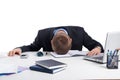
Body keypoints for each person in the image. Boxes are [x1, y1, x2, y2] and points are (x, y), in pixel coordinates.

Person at [8, 26, 104, 56]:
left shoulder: (79, 32)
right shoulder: (42, 34)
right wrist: (19, 49)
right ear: (51, 41)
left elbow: (95, 45)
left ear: (71, 40)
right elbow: (33, 48)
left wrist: (98, 48)